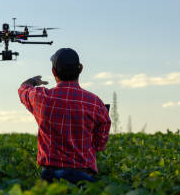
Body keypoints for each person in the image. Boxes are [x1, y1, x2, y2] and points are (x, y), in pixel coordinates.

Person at [18, 48, 111, 184]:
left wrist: (33, 81)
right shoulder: (96, 103)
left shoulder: (41, 97)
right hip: (84, 177)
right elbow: (99, 145)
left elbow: (23, 89)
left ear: (53, 72)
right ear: (80, 69)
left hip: (50, 176)